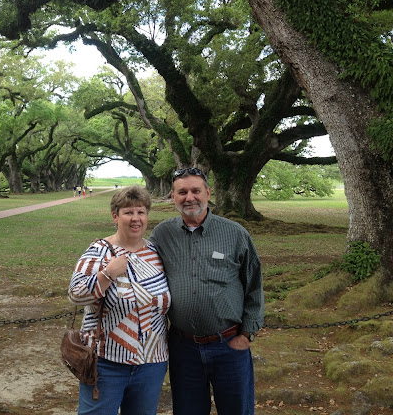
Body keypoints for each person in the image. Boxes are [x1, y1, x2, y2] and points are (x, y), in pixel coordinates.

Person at [149, 167, 264, 415]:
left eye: (196, 191)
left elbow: (253, 284)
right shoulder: (162, 234)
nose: (189, 197)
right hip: (183, 348)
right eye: (182, 192)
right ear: (173, 196)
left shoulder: (234, 233)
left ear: (208, 193)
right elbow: (141, 268)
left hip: (229, 346)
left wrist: (246, 335)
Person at [68, 185, 171, 415]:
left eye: (141, 212)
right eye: (128, 212)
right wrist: (108, 273)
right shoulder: (98, 251)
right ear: (115, 216)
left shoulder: (156, 253)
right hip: (106, 363)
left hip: (152, 362)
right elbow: (75, 294)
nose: (136, 218)